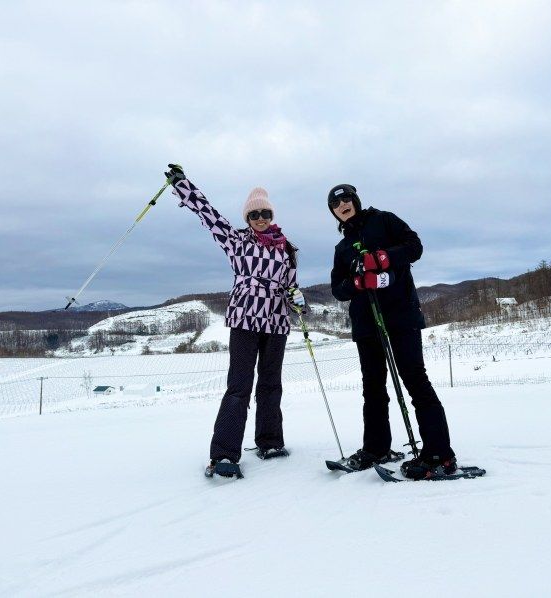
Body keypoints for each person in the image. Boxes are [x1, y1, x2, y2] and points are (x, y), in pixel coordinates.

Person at [165, 164, 305, 478]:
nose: (260, 220)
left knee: (271, 385)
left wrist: (298, 300)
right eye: (254, 215)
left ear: (272, 216)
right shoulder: (236, 242)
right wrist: (182, 184)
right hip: (244, 320)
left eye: (265, 214)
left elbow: (291, 286)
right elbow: (207, 213)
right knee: (239, 387)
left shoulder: (287, 250)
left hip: (277, 323)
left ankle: (270, 441)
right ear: (247, 219)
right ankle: (224, 453)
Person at [327, 183, 457, 480]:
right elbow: (337, 289)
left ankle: (440, 454)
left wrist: (381, 259)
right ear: (333, 212)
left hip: (400, 317)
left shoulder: (384, 220)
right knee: (373, 387)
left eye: (347, 199)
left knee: (414, 379)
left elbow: (414, 247)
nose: (343, 205)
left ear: (355, 201)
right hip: (366, 323)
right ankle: (376, 448)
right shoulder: (342, 248)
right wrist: (357, 284)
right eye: (336, 204)